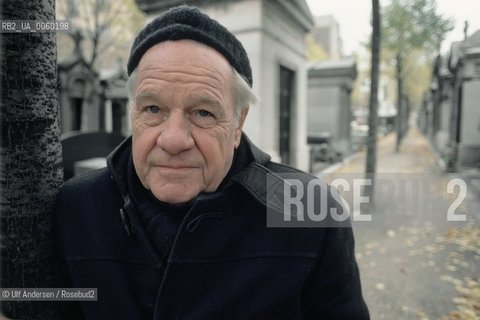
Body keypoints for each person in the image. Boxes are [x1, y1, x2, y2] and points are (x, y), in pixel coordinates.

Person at [53, 5, 369, 319]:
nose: (173, 140)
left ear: (237, 124)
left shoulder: (309, 213)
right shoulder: (77, 208)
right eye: (153, 109)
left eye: (203, 113)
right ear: (133, 112)